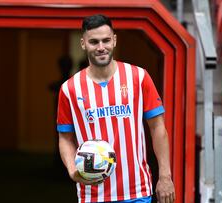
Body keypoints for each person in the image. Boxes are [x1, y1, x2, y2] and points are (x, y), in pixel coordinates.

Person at [56, 14, 175, 203]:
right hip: (93, 194)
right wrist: (72, 170)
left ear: (115, 40)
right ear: (83, 44)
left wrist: (165, 176)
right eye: (94, 42)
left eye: (106, 40)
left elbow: (157, 127)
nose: (101, 47)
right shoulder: (70, 89)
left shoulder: (138, 77)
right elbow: (65, 137)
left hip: (137, 191)